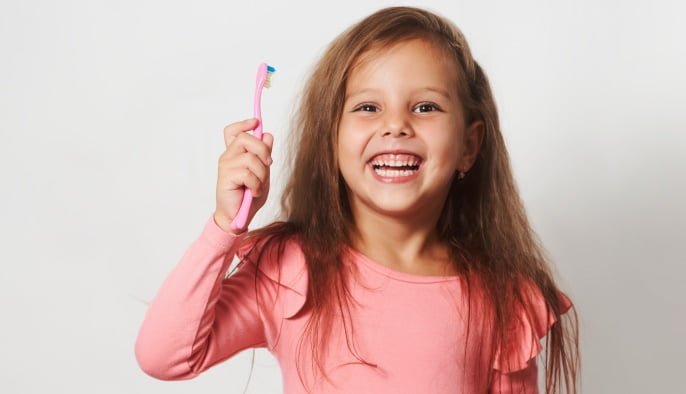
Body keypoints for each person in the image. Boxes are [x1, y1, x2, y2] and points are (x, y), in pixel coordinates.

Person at [134, 6, 580, 394]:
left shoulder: (503, 296)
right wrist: (224, 226)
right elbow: (165, 357)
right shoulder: (291, 269)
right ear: (331, 139)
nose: (396, 126)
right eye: (368, 107)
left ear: (469, 145)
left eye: (425, 107)